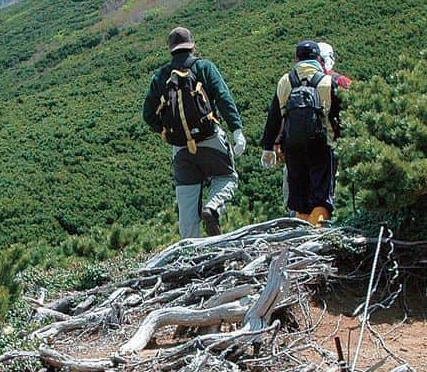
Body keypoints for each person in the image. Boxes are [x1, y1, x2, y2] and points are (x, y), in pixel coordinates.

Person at [142, 26, 246, 238]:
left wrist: (166, 133)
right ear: (192, 46)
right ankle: (212, 207)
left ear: (171, 50)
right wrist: (237, 130)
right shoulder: (204, 67)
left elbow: (147, 114)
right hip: (210, 140)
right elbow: (223, 98)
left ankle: (191, 256)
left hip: (180, 148)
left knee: (187, 207)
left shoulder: (161, 76)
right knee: (227, 177)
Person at [259, 39, 342, 225]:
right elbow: (339, 119)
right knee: (321, 197)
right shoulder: (328, 82)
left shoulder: (285, 81)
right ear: (318, 58)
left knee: (299, 198)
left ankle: (301, 233)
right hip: (321, 146)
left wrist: (268, 147)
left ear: (296, 58)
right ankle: (318, 233)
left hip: (293, 148)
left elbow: (274, 117)